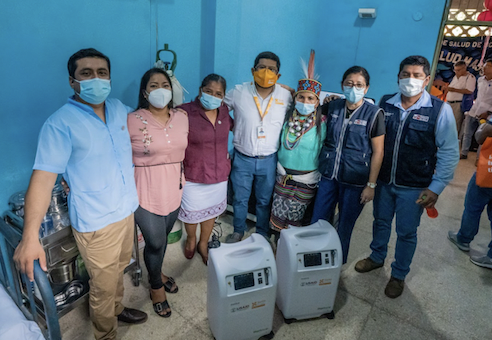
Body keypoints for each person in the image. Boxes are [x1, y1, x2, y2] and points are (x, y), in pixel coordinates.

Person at [13, 48, 147, 340]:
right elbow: (43, 178)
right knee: (102, 283)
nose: (96, 79)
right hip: (97, 222)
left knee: (120, 270)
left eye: (102, 73)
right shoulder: (60, 124)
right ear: (72, 81)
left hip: (125, 211)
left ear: (110, 77)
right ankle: (105, 333)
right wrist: (29, 236)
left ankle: (115, 309)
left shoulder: (120, 110)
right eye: (86, 73)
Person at [354, 55, 459, 299]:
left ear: (427, 79)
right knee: (380, 222)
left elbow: (450, 152)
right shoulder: (385, 104)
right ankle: (377, 257)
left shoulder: (439, 110)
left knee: (406, 231)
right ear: (398, 77)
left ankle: (399, 274)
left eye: (416, 75)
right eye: (405, 74)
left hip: (414, 186)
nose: (410, 79)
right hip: (383, 182)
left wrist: (436, 187)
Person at [128, 68, 188, 317]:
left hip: (174, 186)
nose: (160, 90)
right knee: (154, 241)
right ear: (144, 92)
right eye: (154, 85)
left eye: (165, 84)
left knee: (162, 239)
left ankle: (157, 272)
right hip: (145, 189)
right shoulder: (131, 119)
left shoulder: (182, 116)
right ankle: (155, 287)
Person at [310, 66, 385, 264]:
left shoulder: (374, 114)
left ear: (367, 88)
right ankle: (314, 258)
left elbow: (378, 152)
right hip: (328, 177)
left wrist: (371, 185)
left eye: (359, 85)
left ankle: (336, 264)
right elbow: (310, 110)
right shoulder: (333, 107)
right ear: (342, 85)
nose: (354, 88)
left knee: (345, 225)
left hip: (355, 181)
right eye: (349, 84)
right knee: (318, 220)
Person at [224, 51, 292, 243]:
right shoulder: (238, 92)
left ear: (278, 75)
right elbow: (219, 111)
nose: (266, 72)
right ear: (253, 70)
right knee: (240, 198)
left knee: (264, 200)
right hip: (242, 158)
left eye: (272, 69)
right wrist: (233, 125)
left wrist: (295, 91)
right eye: (262, 67)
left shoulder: (285, 96)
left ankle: (262, 233)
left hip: (269, 159)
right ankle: (238, 230)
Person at [178, 74, 233, 264]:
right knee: (192, 214)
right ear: (201, 90)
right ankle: (191, 239)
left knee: (211, 213)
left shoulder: (224, 112)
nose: (213, 96)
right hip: (194, 175)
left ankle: (204, 242)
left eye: (218, 93)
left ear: (223, 96)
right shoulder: (184, 112)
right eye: (208, 91)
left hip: (219, 176)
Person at [270, 52, 326, 234]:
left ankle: (289, 248)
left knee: (295, 217)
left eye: (310, 98)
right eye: (301, 97)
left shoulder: (323, 123)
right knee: (277, 212)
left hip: (306, 180)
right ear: (295, 99)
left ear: (317, 102)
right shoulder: (286, 117)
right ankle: (276, 244)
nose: (305, 102)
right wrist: (290, 90)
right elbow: (273, 88)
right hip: (283, 175)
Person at [448, 118, 492, 268]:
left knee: (473, 206)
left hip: (488, 173)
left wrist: (483, 125)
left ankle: (464, 239)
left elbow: (481, 136)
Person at [461, 59, 492, 159]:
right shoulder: (480, 80)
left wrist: (488, 112)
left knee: (482, 137)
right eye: (484, 66)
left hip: (486, 114)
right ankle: (464, 153)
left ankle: (479, 158)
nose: (484, 68)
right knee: (467, 133)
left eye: (488, 66)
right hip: (474, 110)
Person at [445, 60, 476, 137]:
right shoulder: (455, 77)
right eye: (455, 70)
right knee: (446, 123)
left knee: (455, 124)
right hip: (449, 102)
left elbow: (470, 91)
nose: (456, 72)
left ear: (464, 68)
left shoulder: (470, 77)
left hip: (458, 103)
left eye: (458, 70)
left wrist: (454, 90)